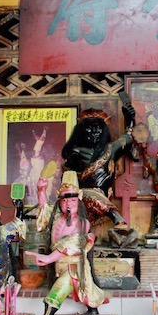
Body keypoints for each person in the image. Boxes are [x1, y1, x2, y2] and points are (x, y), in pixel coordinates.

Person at [24, 171, 108, 315]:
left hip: (73, 266)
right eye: (64, 200)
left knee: (57, 292)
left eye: (72, 200)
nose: (68, 204)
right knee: (85, 291)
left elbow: (71, 243)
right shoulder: (57, 218)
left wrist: (49, 258)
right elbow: (44, 210)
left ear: (79, 200)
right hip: (60, 265)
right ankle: (92, 311)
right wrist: (41, 191)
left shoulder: (83, 224)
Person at [61, 100, 139, 246]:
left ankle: (116, 228)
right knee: (87, 194)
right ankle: (117, 219)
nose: (94, 133)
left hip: (104, 198)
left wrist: (130, 120)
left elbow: (127, 138)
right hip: (82, 199)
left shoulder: (110, 149)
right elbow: (68, 181)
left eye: (98, 128)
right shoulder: (75, 153)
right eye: (89, 129)